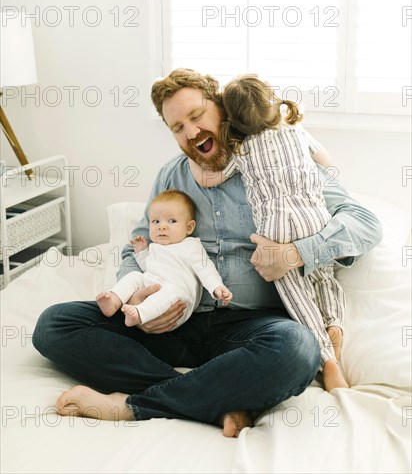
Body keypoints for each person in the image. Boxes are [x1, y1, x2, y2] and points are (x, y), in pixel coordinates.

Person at [32, 68, 382, 438]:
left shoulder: (281, 163)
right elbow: (136, 245)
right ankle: (216, 397)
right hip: (174, 321)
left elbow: (365, 223)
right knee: (55, 325)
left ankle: (132, 406)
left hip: (251, 327)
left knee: (298, 349)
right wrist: (139, 296)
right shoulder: (172, 176)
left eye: (197, 116)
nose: (191, 132)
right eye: (178, 127)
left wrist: (296, 253)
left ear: (220, 108)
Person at [190, 74, 348, 391]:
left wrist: (192, 159)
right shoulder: (294, 129)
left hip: (276, 226)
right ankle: (335, 325)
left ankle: (327, 361)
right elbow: (326, 161)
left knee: (294, 292)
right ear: (272, 101)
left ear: (230, 120)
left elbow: (210, 179)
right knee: (323, 275)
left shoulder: (242, 151)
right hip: (314, 215)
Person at [96, 189, 232, 327]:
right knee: (135, 276)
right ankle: (113, 301)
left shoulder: (191, 246)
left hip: (178, 302)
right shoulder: (155, 246)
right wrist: (141, 253)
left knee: (170, 291)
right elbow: (148, 269)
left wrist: (216, 286)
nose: (162, 226)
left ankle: (139, 314)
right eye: (155, 221)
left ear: (189, 227)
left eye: (172, 221)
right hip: (153, 288)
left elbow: (205, 269)